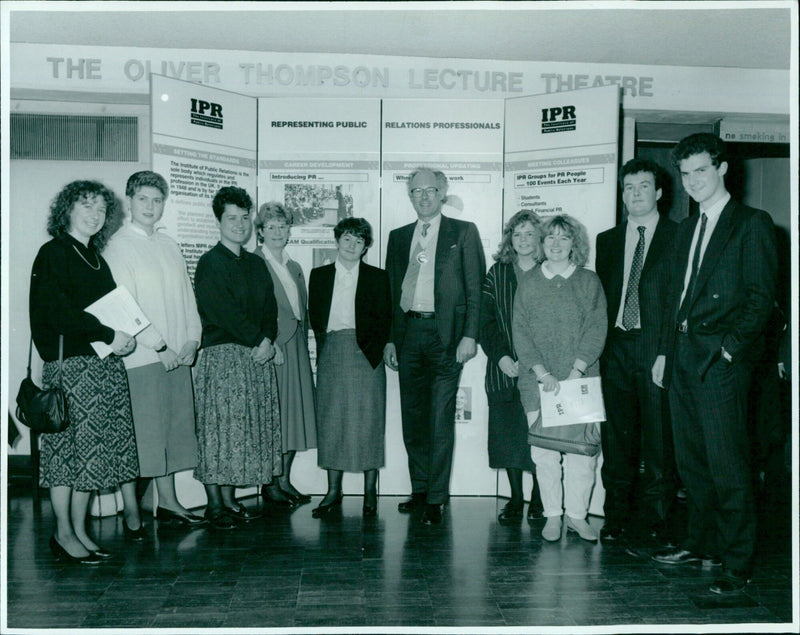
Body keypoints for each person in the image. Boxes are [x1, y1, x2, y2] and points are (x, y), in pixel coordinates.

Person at [651, 133, 777, 595]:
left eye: (700, 170)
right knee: (692, 463)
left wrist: (729, 351)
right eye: (685, 174)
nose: (692, 181)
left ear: (722, 168)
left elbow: (762, 299)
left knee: (728, 465)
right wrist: (665, 351)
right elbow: (674, 299)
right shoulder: (685, 228)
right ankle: (702, 544)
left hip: (720, 362)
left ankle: (737, 562)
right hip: (682, 358)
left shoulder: (752, 223)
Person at [29, 180, 139, 563]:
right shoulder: (54, 252)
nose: (95, 215)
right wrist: (109, 333)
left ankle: (78, 530)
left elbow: (112, 309)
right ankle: (62, 533)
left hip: (101, 366)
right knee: (67, 455)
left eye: (101, 210)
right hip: (72, 368)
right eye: (86, 207)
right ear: (67, 211)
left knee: (91, 456)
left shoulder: (96, 257)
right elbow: (56, 313)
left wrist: (123, 339)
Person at [103, 171, 207, 532]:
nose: (150, 206)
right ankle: (131, 509)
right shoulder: (118, 246)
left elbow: (187, 298)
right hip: (144, 358)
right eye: (143, 199)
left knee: (173, 432)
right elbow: (124, 307)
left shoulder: (169, 244)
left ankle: (170, 503)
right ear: (129, 201)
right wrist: (159, 345)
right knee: (141, 435)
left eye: (157, 199)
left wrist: (192, 339)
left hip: (177, 355)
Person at [383, 167, 486, 525]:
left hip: (447, 338)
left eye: (430, 190)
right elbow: (392, 294)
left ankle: (437, 498)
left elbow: (475, 289)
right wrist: (391, 340)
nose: (423, 196)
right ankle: (420, 489)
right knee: (412, 418)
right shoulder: (397, 238)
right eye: (416, 191)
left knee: (440, 418)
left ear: (442, 193)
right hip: (409, 334)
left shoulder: (463, 232)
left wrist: (470, 335)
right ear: (409, 196)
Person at [594, 158, 677, 548]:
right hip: (616, 350)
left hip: (656, 350)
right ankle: (615, 518)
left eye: (644, 186)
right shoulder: (607, 240)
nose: (636, 193)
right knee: (617, 441)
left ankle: (659, 521)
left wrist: (667, 352)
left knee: (660, 442)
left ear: (659, 192)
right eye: (629, 187)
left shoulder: (680, 236)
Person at [513, 214, 607, 543]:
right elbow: (520, 333)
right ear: (541, 243)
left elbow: (597, 329)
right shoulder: (528, 282)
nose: (555, 244)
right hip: (539, 383)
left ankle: (577, 517)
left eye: (563, 238)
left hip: (579, 379)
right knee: (546, 454)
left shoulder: (588, 281)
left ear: (574, 245)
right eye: (549, 237)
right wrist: (542, 373)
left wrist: (575, 371)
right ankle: (553, 516)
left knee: (582, 453)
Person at [193, 186, 282, 530]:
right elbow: (222, 311)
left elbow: (269, 309)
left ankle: (230, 501)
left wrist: (268, 339)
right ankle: (215, 504)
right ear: (219, 220)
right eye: (232, 217)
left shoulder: (256, 264)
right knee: (219, 431)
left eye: (245, 217)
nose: (239, 224)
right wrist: (258, 339)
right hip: (224, 358)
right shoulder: (209, 262)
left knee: (240, 434)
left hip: (256, 357)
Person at [308, 218, 392, 518]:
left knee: (369, 420)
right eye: (347, 238)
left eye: (359, 241)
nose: (352, 245)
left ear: (365, 247)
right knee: (331, 420)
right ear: (337, 240)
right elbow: (315, 319)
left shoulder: (378, 277)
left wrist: (382, 348)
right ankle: (333, 491)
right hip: (332, 352)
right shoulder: (318, 276)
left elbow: (386, 319)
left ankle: (370, 492)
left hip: (367, 355)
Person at [479, 210, 543, 524]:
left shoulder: (553, 270)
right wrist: (502, 357)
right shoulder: (497, 272)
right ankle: (517, 498)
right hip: (504, 370)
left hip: (545, 372)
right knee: (509, 437)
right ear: (509, 239)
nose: (523, 240)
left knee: (542, 436)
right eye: (517, 234)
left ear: (540, 237)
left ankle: (541, 499)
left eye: (529, 233)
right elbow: (485, 321)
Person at [253, 201, 317, 508]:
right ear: (261, 232)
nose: (278, 232)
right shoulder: (254, 263)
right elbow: (254, 312)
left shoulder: (294, 266)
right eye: (271, 227)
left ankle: (284, 480)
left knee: (294, 415)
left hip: (296, 347)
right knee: (273, 417)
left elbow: (301, 311)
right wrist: (271, 342)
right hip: (273, 348)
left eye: (282, 226)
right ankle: (269, 483)